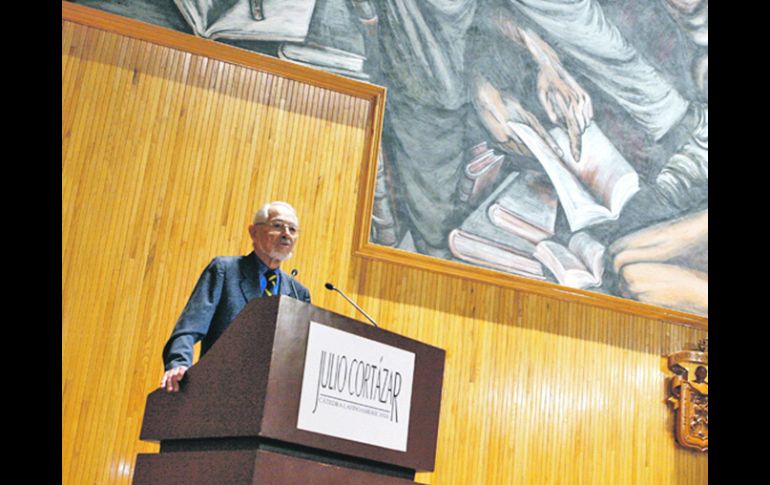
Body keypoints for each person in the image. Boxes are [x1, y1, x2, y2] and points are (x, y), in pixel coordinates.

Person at [160, 201, 311, 392]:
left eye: (293, 229)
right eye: (278, 225)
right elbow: (190, 326)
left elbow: (300, 356)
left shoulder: (298, 293)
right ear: (253, 232)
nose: (286, 234)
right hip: (219, 389)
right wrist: (178, 364)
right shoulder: (225, 271)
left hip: (270, 398)